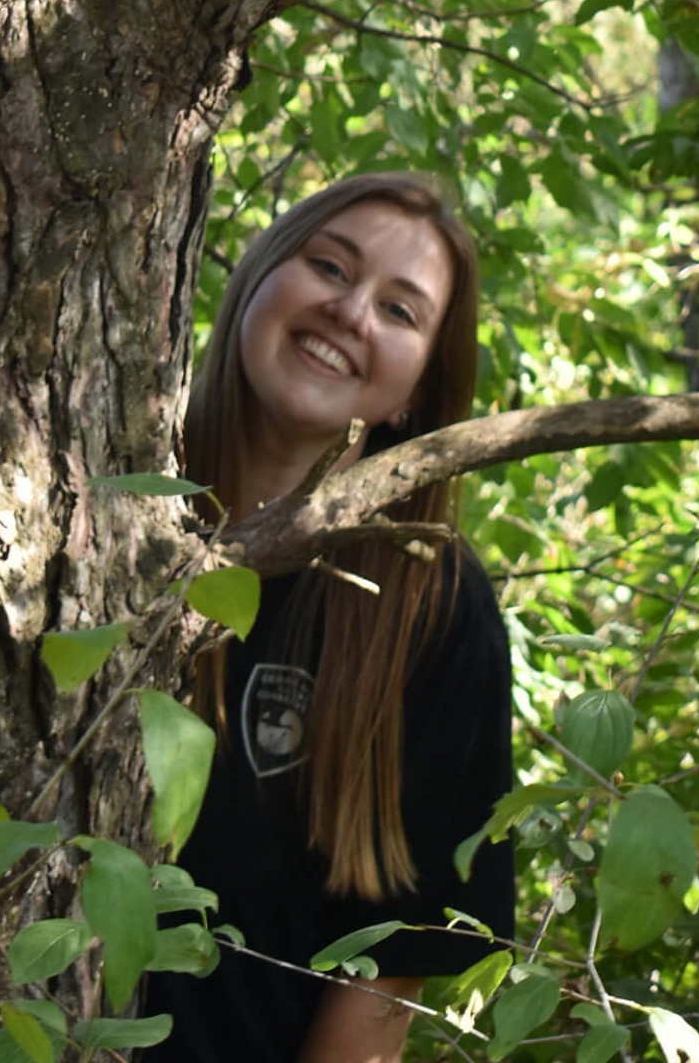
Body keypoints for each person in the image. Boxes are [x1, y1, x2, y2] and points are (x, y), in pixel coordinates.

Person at [147, 175, 514, 1063]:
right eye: (328, 266)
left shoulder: (431, 607)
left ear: (415, 397)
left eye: (399, 309)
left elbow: (390, 970)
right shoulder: (98, 485)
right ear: (258, 279)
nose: (350, 312)